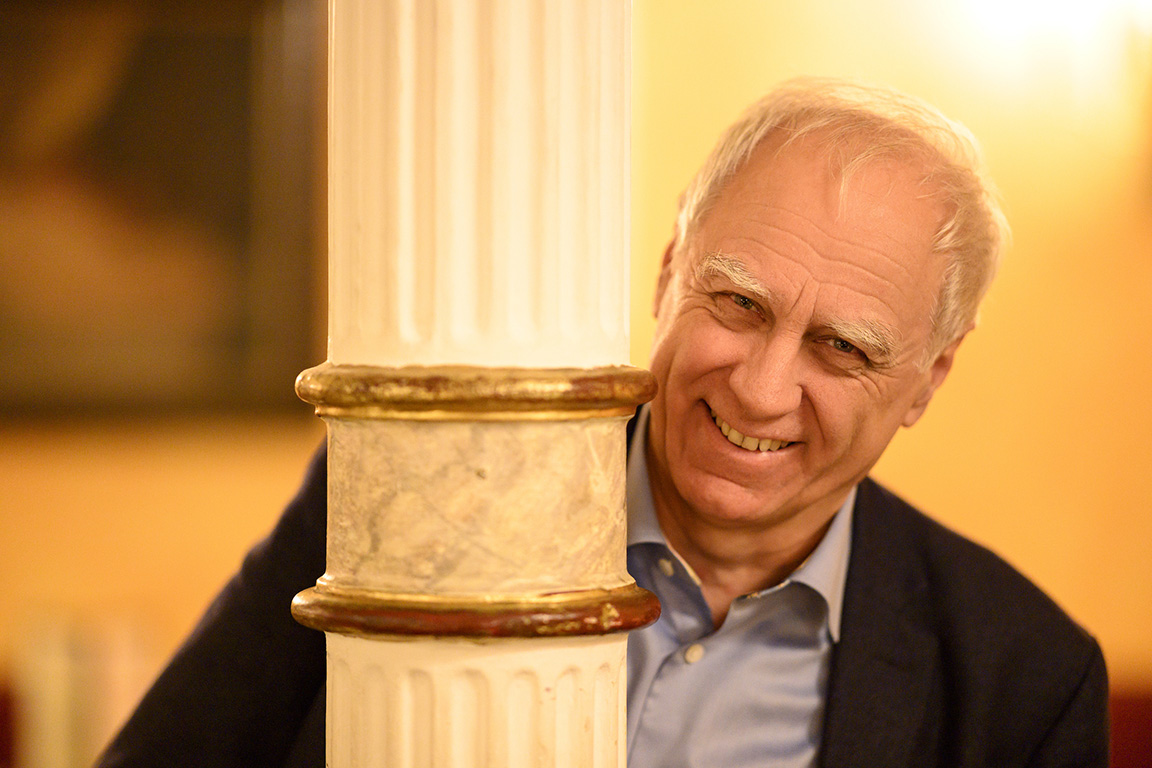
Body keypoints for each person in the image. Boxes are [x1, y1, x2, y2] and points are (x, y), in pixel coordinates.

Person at [97, 78, 1108, 767]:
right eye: (738, 302)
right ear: (670, 273)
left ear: (929, 379)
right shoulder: (405, 494)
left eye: (841, 347)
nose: (761, 390)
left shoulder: (1023, 681)